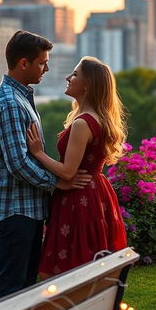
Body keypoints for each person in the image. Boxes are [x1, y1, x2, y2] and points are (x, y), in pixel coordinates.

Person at [0, 30, 89, 301]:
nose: (48, 68)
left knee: (25, 288)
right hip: (14, 209)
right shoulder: (9, 103)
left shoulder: (21, 97)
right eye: (42, 62)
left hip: (25, 208)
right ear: (23, 63)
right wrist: (57, 183)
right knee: (9, 288)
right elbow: (17, 162)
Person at [26, 56, 128, 276]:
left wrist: (38, 153)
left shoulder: (83, 122)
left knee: (68, 268)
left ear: (87, 85)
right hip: (95, 193)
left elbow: (68, 171)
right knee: (88, 264)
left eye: (74, 74)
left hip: (78, 197)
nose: (67, 77)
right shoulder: (97, 118)